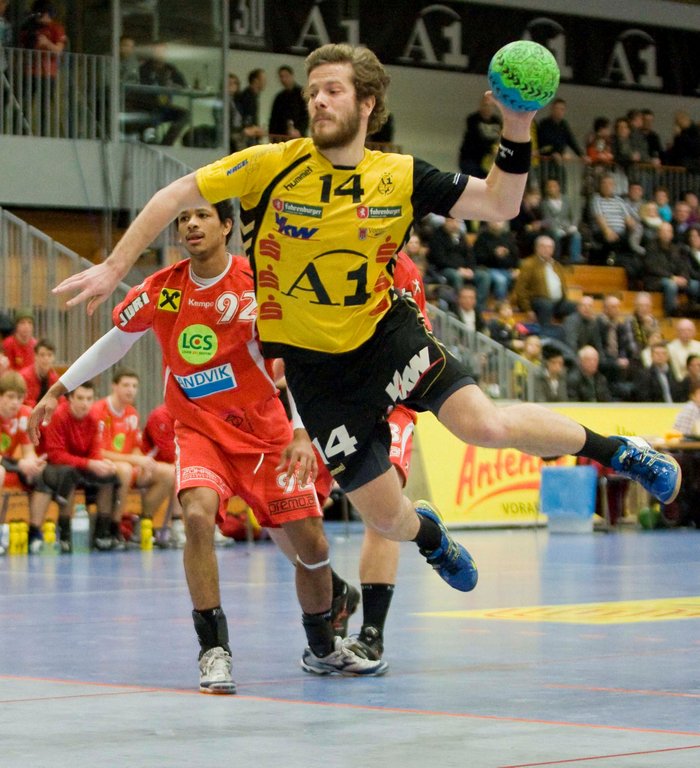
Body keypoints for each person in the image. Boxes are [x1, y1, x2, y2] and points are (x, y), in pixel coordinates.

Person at [54, 43, 682, 601]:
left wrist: (517, 124)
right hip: (316, 372)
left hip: (386, 335)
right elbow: (172, 195)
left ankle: (621, 453)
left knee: (483, 424)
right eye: (312, 92)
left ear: (367, 103)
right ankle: (430, 535)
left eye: (333, 90)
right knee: (385, 517)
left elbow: (501, 202)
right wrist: (114, 266)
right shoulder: (269, 165)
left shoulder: (399, 176)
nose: (318, 101)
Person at [32, 199, 386, 689]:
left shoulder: (260, 287)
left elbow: (302, 361)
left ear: (226, 226)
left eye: (201, 216)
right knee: (197, 516)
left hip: (265, 434)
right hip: (198, 429)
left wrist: (302, 430)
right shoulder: (163, 289)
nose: (191, 224)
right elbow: (118, 339)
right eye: (183, 218)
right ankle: (213, 650)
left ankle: (323, 646)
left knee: (312, 543)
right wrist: (59, 388)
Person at [91, 369, 174, 550]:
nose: (131, 390)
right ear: (114, 386)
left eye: (135, 386)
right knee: (125, 469)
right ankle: (114, 527)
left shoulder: (132, 413)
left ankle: (142, 525)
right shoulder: (99, 410)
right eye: (126, 385)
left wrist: (144, 463)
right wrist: (135, 461)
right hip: (104, 465)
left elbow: (136, 446)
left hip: (128, 464)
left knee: (169, 473)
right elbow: (100, 452)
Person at [41, 381, 120, 553]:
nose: (85, 403)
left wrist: (101, 463)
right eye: (80, 398)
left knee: (108, 475)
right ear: (70, 398)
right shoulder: (58, 416)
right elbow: (56, 455)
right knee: (69, 474)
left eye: (89, 399)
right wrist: (90, 464)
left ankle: (102, 533)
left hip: (81, 465)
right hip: (57, 467)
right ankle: (65, 535)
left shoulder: (94, 418)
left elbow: (95, 450)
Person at [0, 370, 53, 554]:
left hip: (8, 464)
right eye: (10, 397)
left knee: (42, 474)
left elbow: (28, 452)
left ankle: (35, 533)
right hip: (3, 466)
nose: (15, 402)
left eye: (19, 397)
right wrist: (20, 465)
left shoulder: (24, 414)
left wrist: (33, 464)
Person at [18, 0, 66, 136]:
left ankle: (44, 133)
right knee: (25, 102)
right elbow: (23, 46)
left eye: (41, 14)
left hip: (48, 73)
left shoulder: (56, 28)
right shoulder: (29, 27)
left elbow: (58, 50)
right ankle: (22, 131)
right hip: (30, 70)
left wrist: (46, 43)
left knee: (45, 104)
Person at [141, 402, 185, 547]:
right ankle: (176, 524)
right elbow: (168, 454)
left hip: (167, 467)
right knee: (179, 470)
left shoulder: (188, 415)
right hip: (146, 465)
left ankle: (212, 524)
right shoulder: (160, 416)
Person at [513, 234, 576, 328]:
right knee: (545, 305)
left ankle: (568, 333)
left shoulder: (556, 265)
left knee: (575, 306)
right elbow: (521, 289)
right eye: (543, 247)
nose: (547, 249)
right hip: (537, 302)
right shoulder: (528, 264)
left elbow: (563, 286)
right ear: (537, 248)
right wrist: (528, 309)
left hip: (557, 303)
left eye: (550, 247)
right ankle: (545, 333)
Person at [136, 42, 189, 146]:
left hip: (165, 107)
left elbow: (183, 85)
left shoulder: (170, 69)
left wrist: (173, 85)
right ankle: (150, 139)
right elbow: (140, 87)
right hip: (147, 107)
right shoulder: (143, 69)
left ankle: (166, 144)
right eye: (157, 51)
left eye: (162, 51)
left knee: (184, 115)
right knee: (153, 114)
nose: (160, 53)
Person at [472, 220, 520, 302]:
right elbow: (478, 258)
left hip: (507, 269)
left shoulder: (509, 237)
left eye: (499, 221)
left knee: (522, 276)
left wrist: (516, 268)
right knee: (501, 280)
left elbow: (515, 256)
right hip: (488, 269)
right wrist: (494, 254)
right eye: (494, 221)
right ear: (488, 223)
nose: (497, 223)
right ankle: (501, 304)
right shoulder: (482, 237)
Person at [458, 93, 502, 178]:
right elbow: (475, 139)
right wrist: (491, 148)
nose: (487, 108)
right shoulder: (473, 119)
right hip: (471, 159)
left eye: (490, 106)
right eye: (485, 105)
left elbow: (499, 139)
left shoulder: (497, 121)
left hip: (487, 162)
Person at [541, 177, 582, 264]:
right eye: (549, 187)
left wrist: (573, 226)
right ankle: (557, 260)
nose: (552, 188)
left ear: (558, 187)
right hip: (553, 228)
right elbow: (547, 219)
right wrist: (557, 228)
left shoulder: (566, 200)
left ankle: (575, 260)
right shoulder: (544, 203)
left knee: (576, 235)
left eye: (554, 186)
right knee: (556, 235)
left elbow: (574, 216)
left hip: (567, 227)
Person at [268, 65, 308, 141]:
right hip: (281, 137)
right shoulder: (279, 97)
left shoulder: (302, 94)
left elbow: (306, 115)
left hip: (298, 136)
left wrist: (300, 130)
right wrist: (272, 136)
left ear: (292, 76)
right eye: (281, 77)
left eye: (286, 76)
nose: (283, 79)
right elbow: (273, 119)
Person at [20, 338, 58, 407]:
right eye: (42, 355)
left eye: (49, 355)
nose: (46, 358)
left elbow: (60, 399)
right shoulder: (24, 376)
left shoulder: (54, 377)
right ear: (35, 356)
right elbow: (25, 402)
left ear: (53, 358)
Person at [237, 67, 266, 147]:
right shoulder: (247, 97)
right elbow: (247, 117)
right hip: (247, 137)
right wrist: (254, 128)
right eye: (263, 80)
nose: (265, 82)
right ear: (256, 81)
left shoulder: (253, 96)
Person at [666, 319, 700, 383]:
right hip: (682, 383)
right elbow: (676, 373)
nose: (686, 333)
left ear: (694, 332)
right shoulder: (670, 348)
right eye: (683, 330)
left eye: (689, 330)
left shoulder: (698, 345)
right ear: (677, 332)